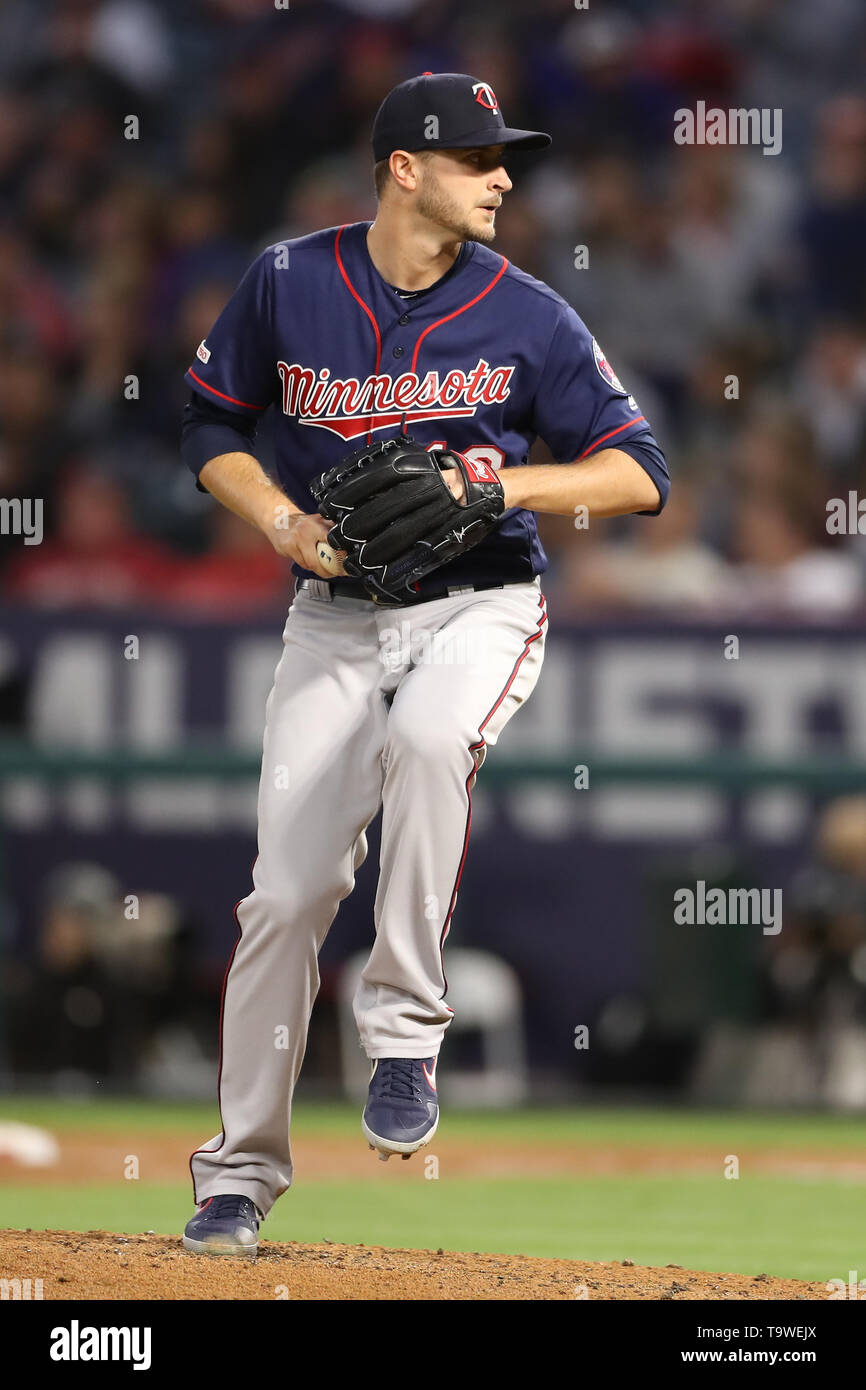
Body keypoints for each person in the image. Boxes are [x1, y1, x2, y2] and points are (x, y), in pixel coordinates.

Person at [179, 72, 669, 1257]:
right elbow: (208, 425)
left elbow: (637, 472)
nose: (503, 175)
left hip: (480, 604)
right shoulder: (289, 281)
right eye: (477, 157)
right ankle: (236, 1177)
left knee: (430, 739)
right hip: (334, 612)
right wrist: (281, 524)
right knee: (284, 897)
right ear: (404, 166)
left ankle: (401, 1032)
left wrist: (498, 478)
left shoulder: (529, 312)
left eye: (505, 158)